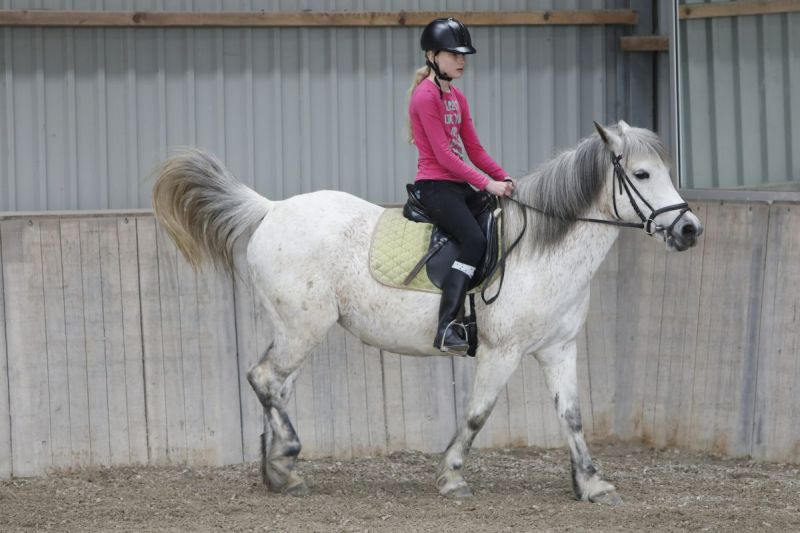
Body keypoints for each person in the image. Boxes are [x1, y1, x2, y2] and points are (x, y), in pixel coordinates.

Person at [407, 17, 514, 354]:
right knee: (472, 239)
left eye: (463, 55)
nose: (461, 60)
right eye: (453, 54)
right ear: (432, 56)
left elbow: (474, 149)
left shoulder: (457, 97)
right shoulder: (425, 97)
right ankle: (446, 325)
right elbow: (443, 155)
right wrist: (487, 183)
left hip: (459, 184)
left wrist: (504, 177)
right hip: (435, 186)